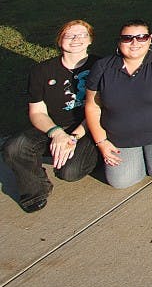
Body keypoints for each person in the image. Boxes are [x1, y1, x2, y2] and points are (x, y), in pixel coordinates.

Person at [3, 21, 101, 213]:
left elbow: (101, 108)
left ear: (90, 40)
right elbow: (37, 112)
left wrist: (74, 137)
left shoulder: (100, 66)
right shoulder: (42, 71)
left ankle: (94, 159)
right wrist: (56, 133)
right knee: (14, 147)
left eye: (82, 35)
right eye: (69, 35)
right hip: (54, 126)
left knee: (69, 172)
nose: (76, 39)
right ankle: (35, 189)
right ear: (59, 40)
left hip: (88, 127)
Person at [84, 20, 152, 189]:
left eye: (141, 37)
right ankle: (143, 159)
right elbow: (92, 106)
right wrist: (101, 142)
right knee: (121, 182)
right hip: (121, 137)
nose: (135, 43)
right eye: (128, 38)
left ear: (150, 39)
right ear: (119, 41)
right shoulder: (103, 67)